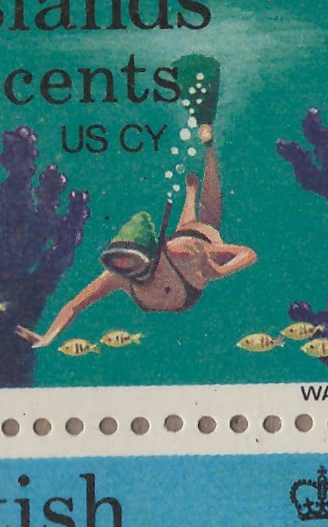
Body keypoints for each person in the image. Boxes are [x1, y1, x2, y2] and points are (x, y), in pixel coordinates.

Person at [35, 106, 257, 348]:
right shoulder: (119, 276)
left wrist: (220, 270)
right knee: (184, 224)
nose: (125, 269)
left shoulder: (185, 253)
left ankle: (208, 148)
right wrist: (48, 337)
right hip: (178, 238)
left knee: (207, 212)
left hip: (201, 236)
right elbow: (75, 306)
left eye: (130, 261)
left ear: (149, 256)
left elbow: (248, 253)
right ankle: (190, 192)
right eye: (118, 263)